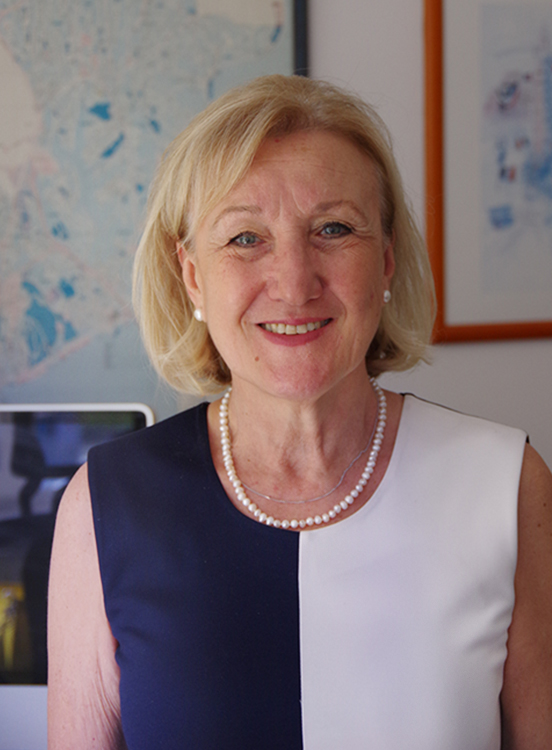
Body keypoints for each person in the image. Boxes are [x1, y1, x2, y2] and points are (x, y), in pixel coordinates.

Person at [47, 74, 552, 750]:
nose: (293, 282)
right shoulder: (105, 505)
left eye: (333, 229)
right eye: (245, 238)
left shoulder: (508, 486)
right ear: (193, 276)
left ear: (386, 261)